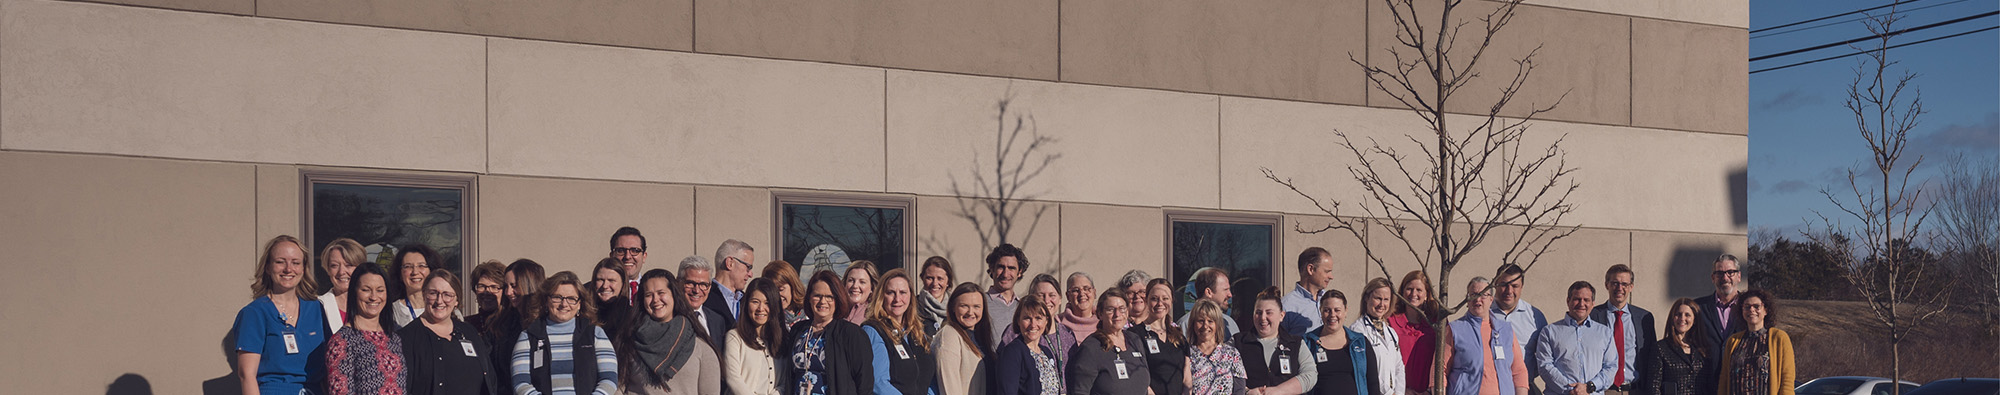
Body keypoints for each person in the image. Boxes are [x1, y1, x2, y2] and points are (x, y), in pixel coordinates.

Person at [233, 235, 330, 395]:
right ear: (268, 267)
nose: (288, 269)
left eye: (295, 263)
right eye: (280, 262)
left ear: (303, 268)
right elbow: (246, 375)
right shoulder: (255, 313)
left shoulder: (316, 309)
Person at [511, 271, 619, 395]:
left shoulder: (595, 334)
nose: (564, 304)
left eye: (571, 299)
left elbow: (609, 379)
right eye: (557, 297)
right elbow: (520, 383)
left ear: (579, 304)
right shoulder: (529, 336)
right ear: (546, 300)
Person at [617, 269, 721, 394]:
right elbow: (618, 388)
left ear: (674, 295)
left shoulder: (700, 348)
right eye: (649, 295)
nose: (655, 300)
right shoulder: (629, 342)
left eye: (661, 293)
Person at [401, 269, 504, 395]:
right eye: (433, 293)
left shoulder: (469, 332)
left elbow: (489, 378)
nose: (439, 300)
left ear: (456, 301)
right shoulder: (406, 338)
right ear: (424, 295)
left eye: (447, 295)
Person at [783, 270, 875, 395]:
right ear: (809, 298)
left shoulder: (851, 334)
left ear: (837, 300)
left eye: (829, 297)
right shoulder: (798, 330)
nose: (822, 301)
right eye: (817, 295)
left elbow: (864, 384)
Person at [326, 257, 405, 395]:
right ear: (354, 292)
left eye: (380, 290)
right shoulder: (342, 341)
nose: (374, 297)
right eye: (366, 290)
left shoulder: (394, 336)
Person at [1437, 277, 1528, 395]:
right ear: (1467, 299)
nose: (1478, 299)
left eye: (1483, 295)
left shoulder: (1506, 330)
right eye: (1473, 294)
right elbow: (1440, 370)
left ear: (1491, 300)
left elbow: (1519, 371)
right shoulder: (1455, 330)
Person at [862, 268, 938, 395]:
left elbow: (929, 380)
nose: (897, 299)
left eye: (903, 292)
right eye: (891, 293)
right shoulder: (874, 330)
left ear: (910, 296)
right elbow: (879, 383)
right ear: (881, 296)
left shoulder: (916, 331)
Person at [1532, 281, 1616, 395]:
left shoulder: (1605, 333)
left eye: (1586, 300)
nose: (1581, 304)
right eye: (1577, 299)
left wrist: (1590, 387)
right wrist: (1571, 390)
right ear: (1568, 301)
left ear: (1593, 304)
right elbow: (1545, 366)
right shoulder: (1549, 332)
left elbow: (1611, 367)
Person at [1065, 290, 1152, 395]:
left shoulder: (1135, 340)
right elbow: (1079, 391)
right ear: (1100, 314)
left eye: (1122, 309)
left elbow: (1145, 386)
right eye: (1110, 310)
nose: (1117, 314)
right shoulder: (1091, 348)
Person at [1235, 287, 1317, 395]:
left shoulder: (1296, 343)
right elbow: (1224, 373)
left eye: (1269, 313)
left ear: (1281, 316)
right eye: (1258, 313)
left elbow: (1310, 374)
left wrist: (1279, 391)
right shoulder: (1238, 342)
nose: (1263, 317)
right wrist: (1246, 392)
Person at [1589, 265, 1654, 395]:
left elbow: (1651, 356)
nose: (1620, 288)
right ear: (1607, 285)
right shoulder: (1593, 315)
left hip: (1636, 390)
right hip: (1605, 390)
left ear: (1631, 287)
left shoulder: (1644, 318)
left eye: (1624, 284)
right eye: (1615, 283)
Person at [1715, 290, 1793, 395]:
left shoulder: (1779, 338)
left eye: (1756, 306)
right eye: (1747, 307)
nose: (1751, 310)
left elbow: (1787, 379)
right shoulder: (1733, 341)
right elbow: (1724, 378)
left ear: (1765, 310)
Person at [1305, 289, 1383, 395]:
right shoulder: (1308, 342)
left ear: (1345, 311)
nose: (1332, 315)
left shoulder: (1360, 342)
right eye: (1327, 310)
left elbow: (1373, 383)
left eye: (1337, 310)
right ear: (1321, 311)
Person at [998, 274, 1077, 372]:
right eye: (1040, 296)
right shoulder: (1016, 332)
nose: (1047, 300)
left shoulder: (1067, 334)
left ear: (1060, 299)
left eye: (1052, 295)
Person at [1490, 264, 1548, 395]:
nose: (1509, 291)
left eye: (1515, 286)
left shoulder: (1535, 317)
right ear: (1495, 284)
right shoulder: (1483, 314)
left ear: (1521, 287)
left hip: (1524, 388)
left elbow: (1545, 356)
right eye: (1504, 284)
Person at [487, 259, 547, 385]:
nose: (508, 292)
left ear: (530, 285)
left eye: (514, 286)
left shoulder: (548, 322)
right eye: (506, 286)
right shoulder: (499, 324)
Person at [725, 278, 787, 395]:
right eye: (755, 302)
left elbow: (784, 383)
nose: (760, 308)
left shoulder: (782, 340)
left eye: (767, 303)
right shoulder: (734, 338)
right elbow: (733, 379)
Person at [1348, 278, 1406, 395]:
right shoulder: (1357, 331)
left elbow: (1399, 367)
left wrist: (1399, 393)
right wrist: (1388, 392)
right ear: (1366, 298)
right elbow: (1362, 370)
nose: (1382, 304)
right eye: (1378, 298)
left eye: (1386, 300)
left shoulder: (1391, 332)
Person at [1641, 298, 1710, 395]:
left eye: (1687, 315)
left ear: (1694, 320)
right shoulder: (1660, 348)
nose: (1682, 318)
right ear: (1672, 318)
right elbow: (1653, 387)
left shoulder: (1703, 349)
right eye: (1678, 314)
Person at [1131, 278, 1188, 395]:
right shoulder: (1135, 335)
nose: (1160, 303)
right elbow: (1137, 375)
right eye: (1154, 299)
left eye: (1165, 298)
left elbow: (1187, 376)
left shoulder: (1178, 335)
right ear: (1146, 300)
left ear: (1172, 300)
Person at [993, 294, 1058, 395]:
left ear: (1046, 321)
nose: (1033, 325)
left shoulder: (1047, 352)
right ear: (1018, 321)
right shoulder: (1012, 353)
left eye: (1038, 318)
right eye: (1027, 318)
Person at [1390, 270, 1442, 395]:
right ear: (1402, 292)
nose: (1413, 294)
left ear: (1426, 294)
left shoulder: (1437, 323)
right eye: (1409, 289)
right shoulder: (1391, 321)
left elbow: (1444, 361)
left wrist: (1430, 390)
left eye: (1419, 290)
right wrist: (1401, 390)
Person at [934, 282, 990, 395]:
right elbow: (949, 386)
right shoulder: (949, 336)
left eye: (976, 306)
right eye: (964, 306)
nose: (970, 312)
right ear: (953, 307)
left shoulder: (979, 336)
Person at [1694, 254, 1747, 370]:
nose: (1725, 278)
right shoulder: (1697, 308)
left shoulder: (1750, 308)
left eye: (1730, 272)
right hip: (1707, 382)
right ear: (1713, 278)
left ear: (1739, 276)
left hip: (1741, 381)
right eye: (1720, 273)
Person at [1186, 299, 1247, 395]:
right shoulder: (1186, 354)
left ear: (1217, 325)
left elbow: (1239, 389)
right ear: (1193, 324)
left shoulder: (1232, 354)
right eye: (1201, 321)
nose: (1205, 326)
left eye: (1210, 321)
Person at [1285, 247, 1337, 336]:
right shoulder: (1286, 306)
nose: (1331, 277)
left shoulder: (1331, 300)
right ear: (1311, 269)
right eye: (1327, 271)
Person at [680, 255, 734, 341]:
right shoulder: (670, 318)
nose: (696, 290)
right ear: (678, 282)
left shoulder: (718, 321)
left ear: (709, 287)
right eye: (690, 283)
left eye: (703, 285)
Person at [984, 244, 1028, 350]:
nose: (1005, 274)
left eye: (1011, 268)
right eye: (1001, 267)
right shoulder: (981, 303)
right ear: (992, 268)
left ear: (1019, 272)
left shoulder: (1023, 306)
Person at [317, 238, 365, 333]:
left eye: (349, 265)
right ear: (328, 269)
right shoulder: (318, 306)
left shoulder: (373, 303)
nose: (341, 272)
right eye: (334, 266)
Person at [1178, 267, 1241, 339]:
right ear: (1208, 292)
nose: (1230, 295)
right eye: (1225, 289)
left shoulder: (1230, 324)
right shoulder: (1185, 325)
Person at [391, 244, 442, 328]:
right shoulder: (391, 312)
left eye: (421, 266)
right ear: (400, 273)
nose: (415, 272)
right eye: (408, 266)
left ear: (432, 271)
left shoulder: (446, 308)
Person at [711, 239, 758, 321]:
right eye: (748, 267)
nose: (750, 274)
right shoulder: (704, 297)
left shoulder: (747, 301)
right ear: (730, 263)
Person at [763, 260, 810, 327]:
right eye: (772, 291)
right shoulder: (767, 319)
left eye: (780, 290)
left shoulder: (810, 313)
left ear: (793, 286)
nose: (777, 296)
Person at [917, 257, 956, 337]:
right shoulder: (913, 307)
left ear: (948, 281)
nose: (935, 283)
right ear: (922, 278)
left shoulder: (956, 309)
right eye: (929, 278)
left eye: (940, 279)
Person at [591, 257, 631, 335]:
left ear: (623, 284)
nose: (605, 286)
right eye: (600, 280)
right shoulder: (585, 314)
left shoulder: (631, 317)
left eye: (611, 280)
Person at [467, 259, 510, 330]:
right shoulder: (468, 325)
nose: (487, 292)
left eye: (494, 287)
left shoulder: (513, 324)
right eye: (481, 286)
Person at [610, 227, 648, 298]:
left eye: (635, 250)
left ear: (644, 257)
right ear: (611, 256)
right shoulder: (593, 292)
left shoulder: (652, 290)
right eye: (620, 251)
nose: (627, 256)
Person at [1059, 272, 1100, 338]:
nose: (1081, 294)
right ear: (1068, 296)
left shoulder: (1104, 322)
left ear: (1094, 293)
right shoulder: (1058, 323)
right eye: (1075, 290)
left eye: (1086, 289)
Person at [844, 261, 881, 325]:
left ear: (872, 287)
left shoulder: (877, 315)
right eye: (851, 280)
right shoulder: (834, 311)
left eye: (862, 282)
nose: (855, 286)